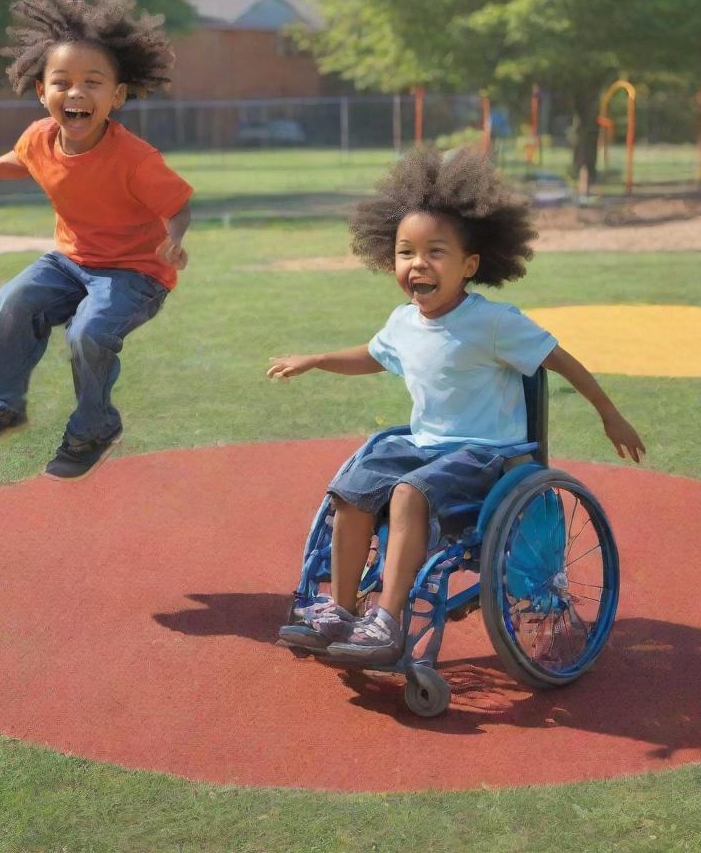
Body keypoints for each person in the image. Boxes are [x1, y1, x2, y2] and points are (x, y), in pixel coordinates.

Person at [268, 147, 645, 663]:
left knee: (407, 493)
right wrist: (316, 359)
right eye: (406, 252)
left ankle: (386, 621)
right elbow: (374, 356)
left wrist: (609, 412)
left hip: (488, 456)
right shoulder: (404, 321)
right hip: (425, 446)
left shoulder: (493, 322)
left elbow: (559, 360)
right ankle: (340, 608)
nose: (418, 264)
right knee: (352, 487)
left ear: (469, 264)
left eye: (435, 253)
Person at [0, 0, 193, 481]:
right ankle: (0, 405)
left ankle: (94, 427)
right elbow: (20, 163)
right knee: (14, 298)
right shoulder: (39, 137)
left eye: (93, 82)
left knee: (89, 331)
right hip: (70, 263)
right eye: (62, 81)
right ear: (42, 91)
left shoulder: (136, 159)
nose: (76, 91)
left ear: (117, 96)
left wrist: (175, 239)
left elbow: (179, 204)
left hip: (134, 274)